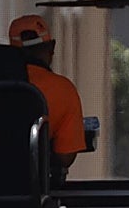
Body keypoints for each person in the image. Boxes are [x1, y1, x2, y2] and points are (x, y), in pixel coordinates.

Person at [8, 14, 86, 175]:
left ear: (10, 50)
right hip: (25, 185)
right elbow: (65, 157)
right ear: (52, 48)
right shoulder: (64, 90)